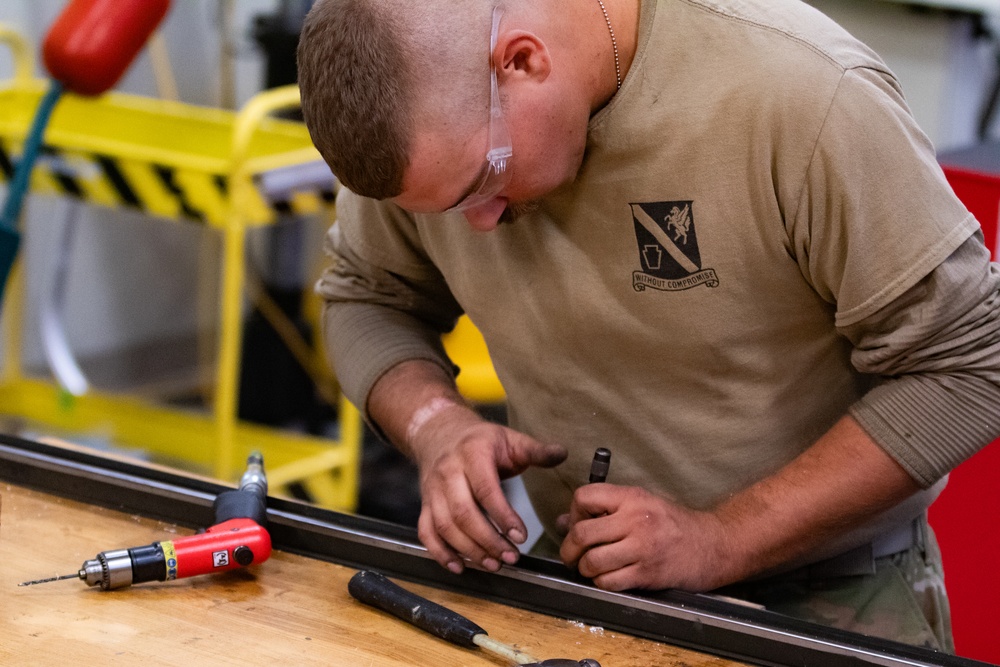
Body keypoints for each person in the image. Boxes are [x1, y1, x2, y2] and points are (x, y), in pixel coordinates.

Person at [297, 0, 1000, 650]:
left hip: (827, 597)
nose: (476, 223)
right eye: (440, 208)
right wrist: (436, 427)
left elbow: (972, 365)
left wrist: (723, 537)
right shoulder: (437, 129)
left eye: (482, 182)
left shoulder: (800, 96)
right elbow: (365, 294)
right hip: (583, 582)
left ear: (522, 61)